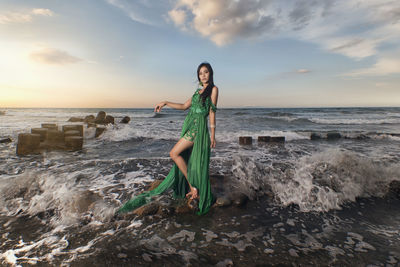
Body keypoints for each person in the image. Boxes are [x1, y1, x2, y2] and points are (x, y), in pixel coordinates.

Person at [117, 62, 219, 215]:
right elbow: (184, 106)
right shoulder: (197, 92)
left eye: (205, 72)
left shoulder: (214, 90)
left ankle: (193, 187)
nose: (203, 75)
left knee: (174, 153)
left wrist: (213, 135)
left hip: (198, 130)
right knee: (186, 158)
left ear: (210, 74)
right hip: (190, 127)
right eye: (200, 73)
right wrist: (165, 102)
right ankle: (193, 187)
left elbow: (212, 113)